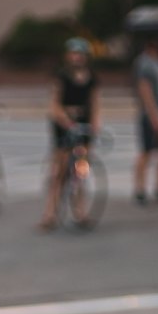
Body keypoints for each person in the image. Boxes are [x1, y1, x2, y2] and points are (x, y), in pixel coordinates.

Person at [40, 37, 101, 230]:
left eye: (80, 54)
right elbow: (54, 104)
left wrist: (95, 124)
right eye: (74, 54)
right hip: (64, 126)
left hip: (83, 125)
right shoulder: (61, 76)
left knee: (80, 171)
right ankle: (50, 214)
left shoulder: (91, 77)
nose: (77, 58)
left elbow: (95, 103)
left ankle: (80, 212)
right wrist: (66, 121)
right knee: (59, 171)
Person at [132, 36, 158, 204]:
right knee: (146, 151)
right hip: (150, 114)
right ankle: (140, 189)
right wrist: (153, 114)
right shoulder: (144, 62)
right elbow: (144, 89)